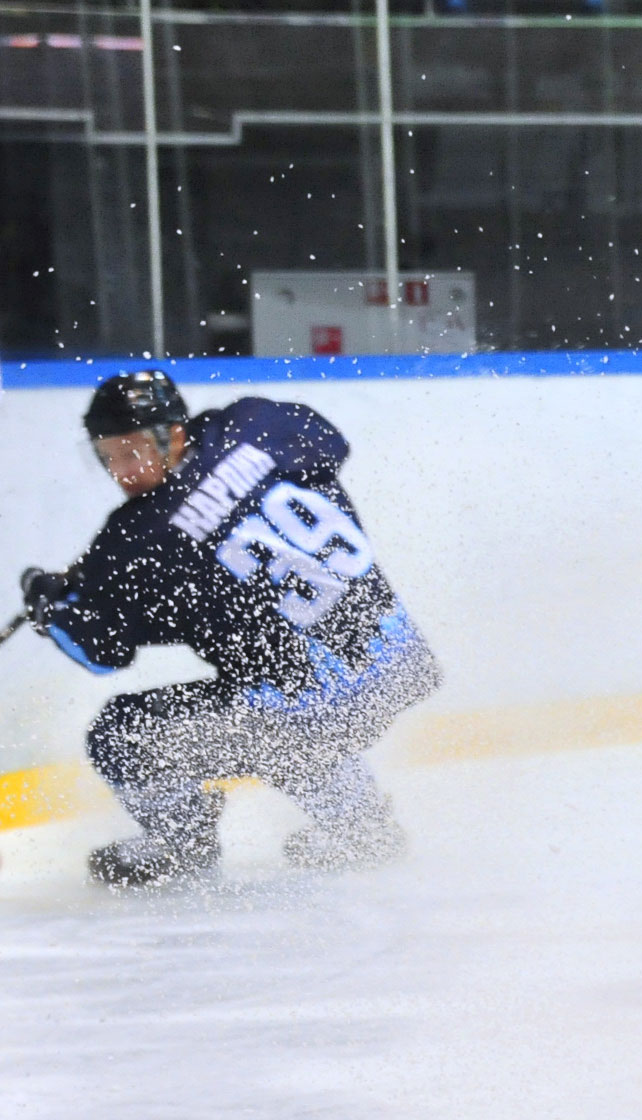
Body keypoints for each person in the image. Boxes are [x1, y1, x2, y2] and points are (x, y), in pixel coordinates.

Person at [16, 372, 440, 888]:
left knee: (123, 734)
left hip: (317, 707)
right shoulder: (252, 425)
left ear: (173, 435)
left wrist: (50, 608)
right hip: (398, 661)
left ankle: (181, 844)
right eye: (109, 456)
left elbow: (101, 653)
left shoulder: (134, 539)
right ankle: (361, 825)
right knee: (278, 696)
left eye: (132, 451)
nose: (122, 471)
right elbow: (329, 442)